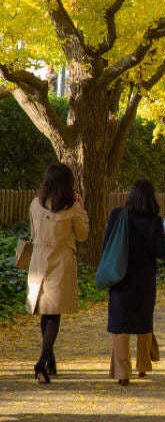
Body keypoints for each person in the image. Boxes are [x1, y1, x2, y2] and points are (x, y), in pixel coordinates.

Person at [26, 163, 89, 384]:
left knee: (46, 312)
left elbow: (33, 233)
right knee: (53, 314)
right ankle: (42, 361)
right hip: (61, 262)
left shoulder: (35, 204)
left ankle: (49, 360)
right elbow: (82, 235)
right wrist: (82, 209)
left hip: (39, 261)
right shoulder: (72, 207)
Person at [104, 179, 165, 386]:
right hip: (145, 278)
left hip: (120, 275)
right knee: (143, 321)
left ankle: (123, 373)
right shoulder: (154, 221)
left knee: (120, 324)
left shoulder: (118, 215)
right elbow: (162, 253)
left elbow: (107, 244)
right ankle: (143, 366)